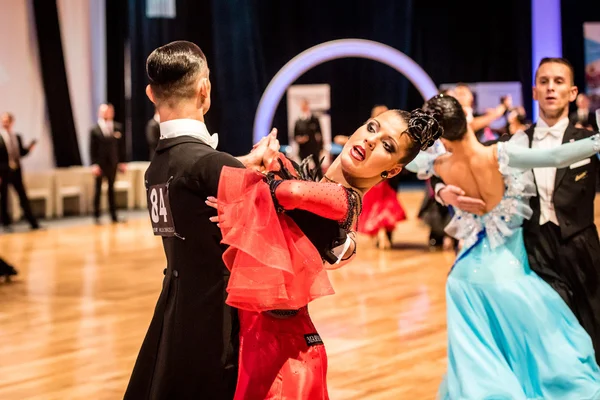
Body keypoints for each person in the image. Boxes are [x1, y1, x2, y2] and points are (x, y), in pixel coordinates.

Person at [209, 107, 443, 399]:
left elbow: (289, 193)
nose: (371, 140)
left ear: (393, 170)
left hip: (285, 357)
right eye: (372, 127)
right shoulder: (312, 182)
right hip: (258, 343)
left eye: (387, 145)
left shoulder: (343, 201)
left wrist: (255, 171)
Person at [405, 94, 600, 399]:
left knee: (479, 363)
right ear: (468, 120)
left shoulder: (439, 164)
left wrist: (441, 191)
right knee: (537, 352)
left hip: (462, 280)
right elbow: (555, 157)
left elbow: (405, 159)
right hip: (509, 276)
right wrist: (596, 142)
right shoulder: (500, 155)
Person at [123, 40, 277, 400]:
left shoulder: (158, 167)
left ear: (150, 93)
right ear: (204, 89)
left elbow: (192, 177)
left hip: (178, 309)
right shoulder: (209, 165)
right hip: (218, 322)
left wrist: (241, 164)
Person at [436, 58, 600, 362]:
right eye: (544, 81)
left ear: (573, 92)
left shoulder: (587, 141)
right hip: (532, 251)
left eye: (559, 82)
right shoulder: (511, 142)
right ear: (535, 91)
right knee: (548, 339)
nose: (551, 87)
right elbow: (453, 167)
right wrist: (443, 191)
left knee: (593, 332)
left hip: (582, 249)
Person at [356, 105, 407, 249]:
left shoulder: (390, 129)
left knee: (380, 205)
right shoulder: (371, 129)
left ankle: (382, 234)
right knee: (377, 205)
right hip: (376, 173)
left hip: (384, 174)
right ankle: (381, 234)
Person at [0, 112, 40, 231]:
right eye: (3, 121)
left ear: (12, 122)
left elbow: (20, 153)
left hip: (16, 171)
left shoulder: (17, 136)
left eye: (7, 121)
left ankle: (33, 223)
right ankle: (6, 223)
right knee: (4, 198)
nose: (5, 123)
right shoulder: (0, 138)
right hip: (3, 172)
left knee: (23, 197)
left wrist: (28, 149)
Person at [89, 103, 126, 224]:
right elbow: (92, 148)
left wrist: (122, 162)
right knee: (98, 189)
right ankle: (96, 215)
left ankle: (113, 215)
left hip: (113, 163)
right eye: (105, 112)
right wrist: (94, 164)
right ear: (100, 113)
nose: (107, 114)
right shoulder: (95, 130)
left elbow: (121, 147)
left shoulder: (117, 127)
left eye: (109, 111)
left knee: (111, 189)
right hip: (100, 164)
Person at [294, 98, 323, 177]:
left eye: (305, 105)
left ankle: (321, 180)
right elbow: (294, 135)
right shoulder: (298, 121)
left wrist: (321, 147)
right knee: (304, 167)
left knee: (317, 166)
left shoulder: (314, 119)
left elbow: (320, 134)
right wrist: (300, 139)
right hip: (303, 148)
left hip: (313, 147)